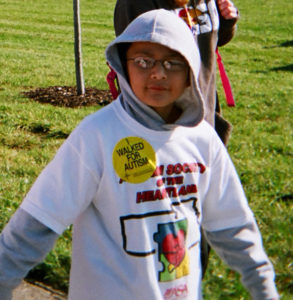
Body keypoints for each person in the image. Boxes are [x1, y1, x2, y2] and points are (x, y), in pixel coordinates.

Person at [0, 9, 279, 300]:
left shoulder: (203, 139)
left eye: (173, 62)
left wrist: (264, 289)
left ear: (190, 73)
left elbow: (233, 224)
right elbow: (38, 222)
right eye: (144, 61)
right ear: (124, 66)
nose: (158, 72)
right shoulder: (97, 135)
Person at [114, 0, 239, 145]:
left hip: (204, 113)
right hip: (158, 128)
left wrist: (227, 20)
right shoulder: (135, 4)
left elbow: (208, 39)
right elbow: (137, 59)